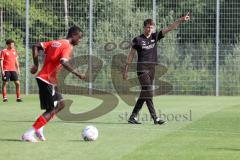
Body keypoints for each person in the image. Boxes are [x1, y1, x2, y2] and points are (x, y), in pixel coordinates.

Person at [123, 13, 190, 124]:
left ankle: (133, 117)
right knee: (148, 91)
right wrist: (125, 70)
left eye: (151, 27)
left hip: (152, 69)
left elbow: (170, 28)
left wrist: (180, 20)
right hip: (142, 69)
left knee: (145, 92)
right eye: (147, 27)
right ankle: (155, 118)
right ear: (144, 27)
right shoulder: (138, 39)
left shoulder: (155, 36)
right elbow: (131, 55)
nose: (149, 29)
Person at [22, 26, 86, 142]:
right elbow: (63, 62)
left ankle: (39, 127)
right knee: (51, 110)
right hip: (47, 80)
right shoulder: (68, 46)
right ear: (74, 35)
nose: (80, 41)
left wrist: (36, 65)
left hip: (49, 80)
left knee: (61, 105)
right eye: (80, 38)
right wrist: (78, 74)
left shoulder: (56, 42)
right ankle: (28, 133)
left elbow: (36, 46)